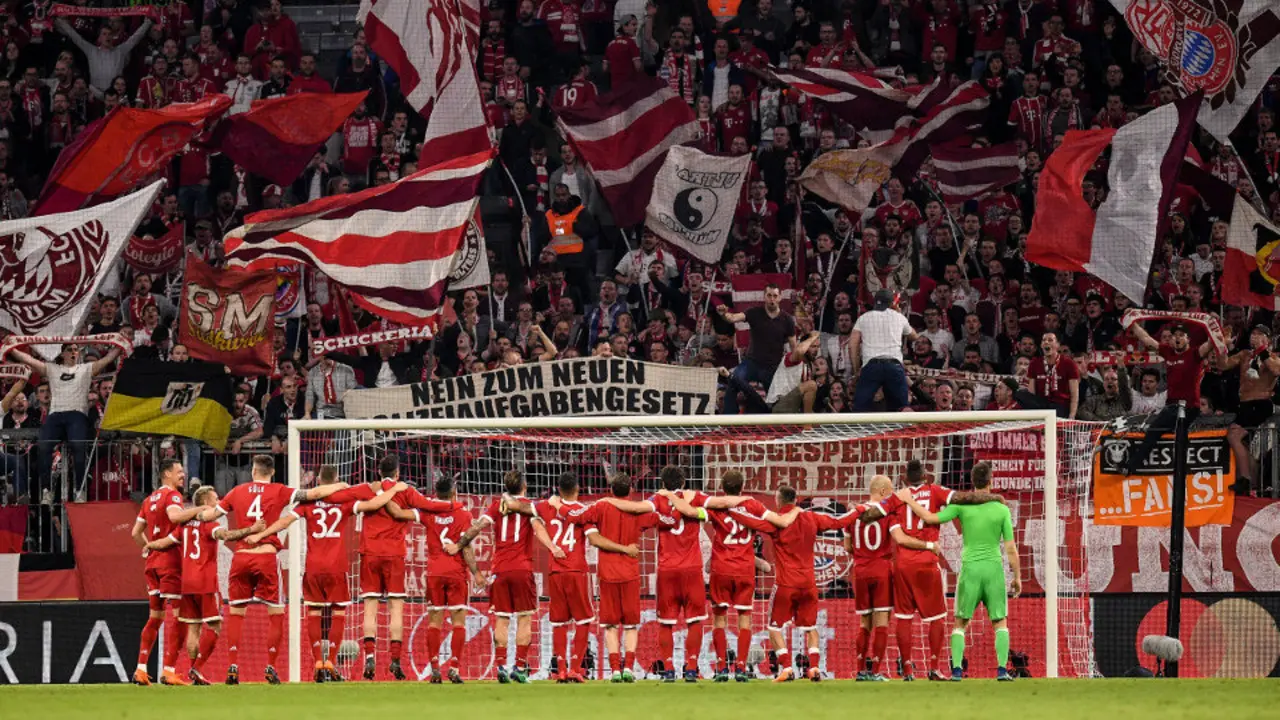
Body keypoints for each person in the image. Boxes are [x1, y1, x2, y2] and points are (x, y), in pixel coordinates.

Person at [244, 465, 406, 683]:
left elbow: (284, 522)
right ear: (337, 479)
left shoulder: (307, 503)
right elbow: (375, 503)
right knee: (338, 613)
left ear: (318, 481)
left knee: (313, 613)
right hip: (337, 567)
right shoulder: (345, 501)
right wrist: (394, 490)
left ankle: (317, 662)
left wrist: (259, 535)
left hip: (313, 566)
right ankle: (329, 661)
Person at [198, 455, 349, 684]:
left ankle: (232, 666)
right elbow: (314, 494)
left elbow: (209, 515)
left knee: (237, 614)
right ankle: (270, 666)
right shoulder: (279, 490)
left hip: (241, 558)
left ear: (253, 472)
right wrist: (341, 485)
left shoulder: (237, 491)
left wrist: (193, 514)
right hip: (266, 557)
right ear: (272, 472)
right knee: (276, 615)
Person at [326, 455, 461, 681]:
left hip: (369, 553)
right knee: (395, 609)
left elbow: (337, 496)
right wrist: (455, 505)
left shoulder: (369, 488)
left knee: (370, 607)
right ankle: (395, 661)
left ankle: (370, 658)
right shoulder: (405, 491)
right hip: (395, 555)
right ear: (397, 473)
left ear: (379, 472)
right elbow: (430, 505)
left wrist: (335, 486)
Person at [730, 485, 879, 682]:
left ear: (779, 500)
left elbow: (753, 522)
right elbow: (838, 521)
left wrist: (730, 510)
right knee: (810, 627)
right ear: (795, 499)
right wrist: (859, 509)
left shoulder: (777, 522)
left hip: (785, 583)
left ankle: (786, 668)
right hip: (809, 584)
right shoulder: (811, 518)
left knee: (774, 628)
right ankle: (815, 668)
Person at [505, 472, 636, 682]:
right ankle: (576, 668)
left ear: (558, 489)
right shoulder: (582, 511)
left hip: (555, 572)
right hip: (576, 571)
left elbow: (517, 506)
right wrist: (623, 548)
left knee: (559, 623)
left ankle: (561, 670)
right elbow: (594, 539)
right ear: (577, 490)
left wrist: (506, 499)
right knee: (583, 621)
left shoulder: (546, 507)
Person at [896, 463, 1021, 681]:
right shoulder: (1001, 509)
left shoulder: (962, 507)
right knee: (1000, 622)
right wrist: (1017, 577)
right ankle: (1002, 670)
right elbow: (1010, 547)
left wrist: (909, 500)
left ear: (972, 483)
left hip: (970, 570)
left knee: (960, 623)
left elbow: (930, 518)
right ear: (991, 482)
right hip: (993, 570)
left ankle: (956, 671)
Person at [451, 470, 562, 683]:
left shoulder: (495, 506)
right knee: (524, 618)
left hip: (499, 570)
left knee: (502, 619)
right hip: (522, 570)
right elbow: (538, 528)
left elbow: (476, 528)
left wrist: (459, 544)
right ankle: (519, 667)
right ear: (524, 486)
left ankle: (501, 666)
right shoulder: (530, 507)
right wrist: (552, 547)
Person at [647, 465, 754, 681]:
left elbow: (638, 509)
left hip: (667, 570)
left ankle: (669, 670)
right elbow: (721, 503)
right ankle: (693, 668)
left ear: (662, 483)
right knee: (695, 620)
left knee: (666, 622)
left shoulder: (656, 500)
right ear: (684, 482)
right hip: (695, 570)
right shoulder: (697, 498)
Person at [555, 473, 656, 682]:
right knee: (630, 625)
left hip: (607, 574)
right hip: (630, 573)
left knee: (610, 625)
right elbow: (659, 516)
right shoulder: (638, 511)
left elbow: (575, 517)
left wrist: (559, 505)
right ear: (630, 491)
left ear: (611, 490)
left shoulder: (600, 507)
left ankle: (615, 671)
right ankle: (628, 668)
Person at [385, 476, 483, 683]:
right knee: (459, 622)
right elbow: (466, 546)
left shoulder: (427, 512)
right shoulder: (463, 513)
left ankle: (435, 668)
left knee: (434, 623)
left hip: (434, 574)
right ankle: (455, 667)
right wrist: (477, 573)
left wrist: (388, 492)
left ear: (435, 493)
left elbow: (396, 512)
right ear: (454, 492)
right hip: (456, 573)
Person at [163, 486, 262, 685]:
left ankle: (194, 672)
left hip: (187, 584)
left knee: (193, 629)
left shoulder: (183, 526)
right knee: (216, 626)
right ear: (206, 503)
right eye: (215, 499)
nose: (218, 503)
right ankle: (196, 669)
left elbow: (166, 542)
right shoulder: (209, 524)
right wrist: (251, 530)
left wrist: (149, 546)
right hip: (205, 583)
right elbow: (225, 535)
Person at [7, 341, 120, 502]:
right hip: (55, 415)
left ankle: (79, 490)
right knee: (44, 446)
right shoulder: (52, 369)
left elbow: (107, 359)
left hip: (77, 414)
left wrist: (119, 344)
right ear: (63, 354)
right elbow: (29, 360)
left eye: (76, 350)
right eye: (70, 350)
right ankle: (46, 490)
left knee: (78, 446)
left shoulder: (86, 369)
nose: (74, 352)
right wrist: (11, 347)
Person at [703, 470, 785, 682]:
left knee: (719, 619)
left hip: (721, 569)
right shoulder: (754, 505)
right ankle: (740, 668)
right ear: (742, 486)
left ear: (723, 487)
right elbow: (774, 522)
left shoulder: (716, 505)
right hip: (744, 570)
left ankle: (721, 668)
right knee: (744, 620)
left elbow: (695, 512)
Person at [846, 474, 930, 682]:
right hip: (882, 570)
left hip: (860, 572)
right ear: (883, 492)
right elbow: (899, 538)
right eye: (890, 491)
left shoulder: (854, 513)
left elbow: (847, 546)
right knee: (882, 621)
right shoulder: (887, 514)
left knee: (864, 622)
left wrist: (862, 554)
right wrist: (927, 545)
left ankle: (859, 670)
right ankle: (875, 671)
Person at [130, 458, 203, 686]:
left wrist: (147, 547)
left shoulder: (148, 499)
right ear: (166, 474)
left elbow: (135, 532)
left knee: (155, 618)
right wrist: (199, 509)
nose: (183, 475)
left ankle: (141, 669)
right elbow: (174, 516)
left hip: (152, 564)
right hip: (171, 563)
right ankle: (169, 670)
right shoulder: (173, 496)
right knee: (180, 617)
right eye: (179, 471)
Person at [889, 458, 953, 681]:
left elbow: (897, 536)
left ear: (905, 478)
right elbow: (958, 499)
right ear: (925, 476)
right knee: (937, 617)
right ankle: (934, 667)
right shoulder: (935, 492)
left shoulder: (897, 498)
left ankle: (907, 670)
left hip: (903, 565)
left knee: (903, 618)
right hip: (927, 562)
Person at [717, 283, 796, 414]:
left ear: (780, 298)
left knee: (775, 403)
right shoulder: (754, 312)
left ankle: (771, 426)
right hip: (752, 363)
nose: (772, 299)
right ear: (764, 297)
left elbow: (794, 348)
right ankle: (729, 422)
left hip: (773, 367)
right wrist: (724, 314)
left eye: (775, 296)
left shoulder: (787, 320)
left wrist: (793, 369)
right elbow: (733, 318)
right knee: (733, 381)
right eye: (769, 295)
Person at [1220, 326, 1280, 495]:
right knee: (1241, 443)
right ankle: (1252, 481)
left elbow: (1276, 370)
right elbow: (1223, 365)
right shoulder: (1245, 355)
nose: (1255, 336)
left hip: (1261, 403)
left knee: (1234, 435)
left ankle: (1246, 479)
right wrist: (1222, 345)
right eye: (1253, 333)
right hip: (1245, 404)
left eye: (1260, 334)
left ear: (1268, 339)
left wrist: (1262, 349)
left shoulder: (1274, 357)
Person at [850, 289, 917, 411]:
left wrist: (856, 370)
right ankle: (905, 430)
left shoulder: (863, 318)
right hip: (894, 366)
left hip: (871, 366)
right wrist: (898, 314)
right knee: (902, 408)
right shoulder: (899, 317)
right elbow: (914, 336)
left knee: (859, 409)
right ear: (892, 303)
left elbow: (853, 345)